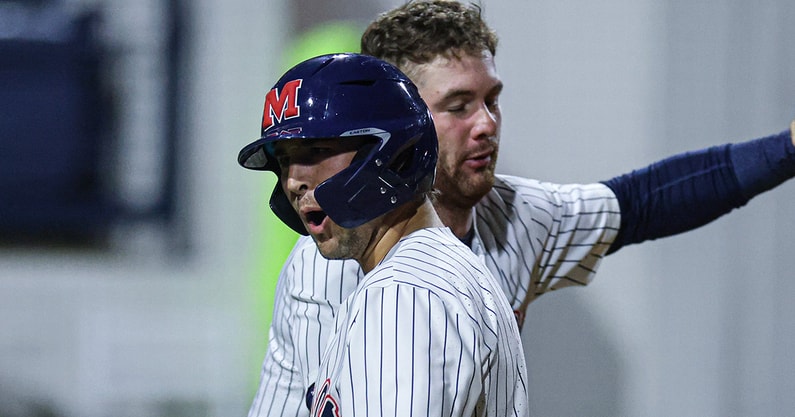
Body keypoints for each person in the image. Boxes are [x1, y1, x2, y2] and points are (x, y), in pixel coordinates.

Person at [245, 2, 795, 416]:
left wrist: (786, 148)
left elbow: (646, 201)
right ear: (401, 123)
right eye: (458, 105)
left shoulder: (510, 217)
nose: (486, 123)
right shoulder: (324, 264)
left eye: (491, 99)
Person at [238, 53, 529, 417]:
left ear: (392, 154)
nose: (294, 180)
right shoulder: (422, 274)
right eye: (284, 159)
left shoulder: (404, 293)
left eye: (316, 151)